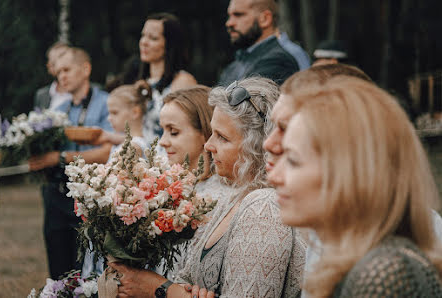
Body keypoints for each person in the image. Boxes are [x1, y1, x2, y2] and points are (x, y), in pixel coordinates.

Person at [109, 77, 306, 297]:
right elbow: (185, 277)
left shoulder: (264, 207)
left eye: (222, 137)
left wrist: (159, 289)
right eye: (212, 133)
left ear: (256, 146)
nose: (208, 145)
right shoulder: (236, 199)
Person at [268, 75, 442, 297]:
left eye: (292, 160)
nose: (275, 177)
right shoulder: (354, 261)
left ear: (348, 173)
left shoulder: (386, 273)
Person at [28, 47, 113, 280]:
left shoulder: (106, 103)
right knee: (58, 270)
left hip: (90, 198)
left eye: (67, 70)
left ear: (85, 69)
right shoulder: (57, 110)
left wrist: (61, 158)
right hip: (56, 195)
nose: (61, 76)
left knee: (85, 270)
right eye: (59, 72)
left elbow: (109, 151)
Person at [156, 85, 234, 279]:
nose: (162, 141)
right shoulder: (162, 183)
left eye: (173, 132)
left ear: (204, 135)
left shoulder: (216, 198)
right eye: (162, 130)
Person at [81, 80, 152, 278]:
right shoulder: (128, 142)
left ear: (135, 112)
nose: (109, 118)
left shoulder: (133, 147)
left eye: (114, 113)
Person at [138, 13, 197, 146]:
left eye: (153, 38)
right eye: (143, 36)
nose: (144, 42)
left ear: (169, 44)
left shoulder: (182, 81)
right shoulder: (143, 81)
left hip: (168, 158)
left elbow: (189, 131)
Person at [217, 0, 299, 87]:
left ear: (265, 19)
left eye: (238, 15)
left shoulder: (278, 61)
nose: (229, 23)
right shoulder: (233, 67)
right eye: (229, 16)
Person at [34, 41, 72, 110]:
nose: (60, 65)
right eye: (54, 63)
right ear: (49, 67)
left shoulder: (88, 92)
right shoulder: (42, 95)